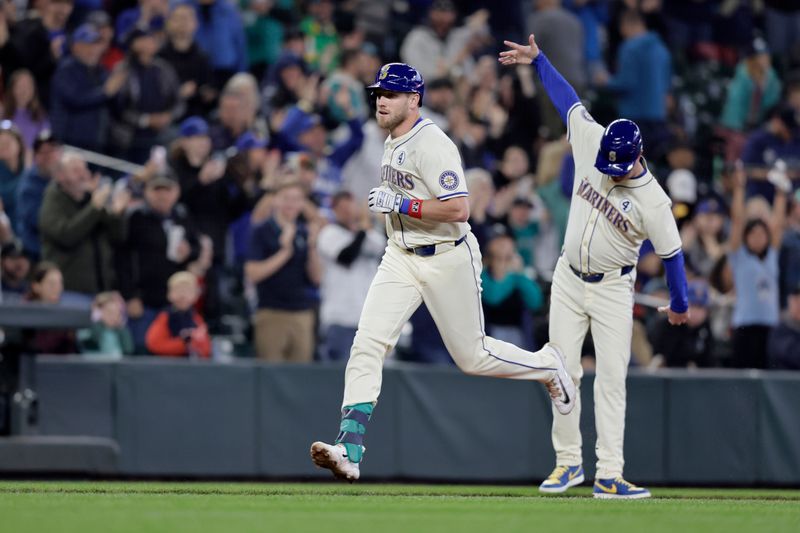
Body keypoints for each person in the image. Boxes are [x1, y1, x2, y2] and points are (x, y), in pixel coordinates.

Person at [309, 62, 575, 482]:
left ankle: (547, 366)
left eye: (391, 94)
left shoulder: (432, 143)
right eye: (379, 93)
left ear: (414, 100)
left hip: (447, 255)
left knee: (473, 356)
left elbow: (459, 208)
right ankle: (350, 447)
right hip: (401, 254)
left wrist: (402, 205)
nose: (381, 100)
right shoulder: (392, 139)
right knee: (368, 343)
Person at [498, 34, 689, 499]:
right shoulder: (595, 140)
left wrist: (680, 302)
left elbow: (672, 255)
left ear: (638, 157)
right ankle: (567, 464)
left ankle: (610, 472)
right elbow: (568, 101)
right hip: (567, 277)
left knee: (611, 380)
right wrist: (541, 59)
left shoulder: (654, 201)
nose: (609, 167)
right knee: (560, 372)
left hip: (611, 289)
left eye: (617, 165)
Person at [116, 172, 202, 352]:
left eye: (167, 190)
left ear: (176, 192)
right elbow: (122, 259)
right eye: (157, 189)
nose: (162, 195)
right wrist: (130, 296)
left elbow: (196, 247)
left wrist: (189, 251)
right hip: (144, 301)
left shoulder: (182, 216)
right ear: (147, 192)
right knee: (142, 352)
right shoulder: (136, 217)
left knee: (175, 354)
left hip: (175, 304)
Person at [245, 180, 322, 362]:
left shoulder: (304, 232)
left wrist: (312, 247)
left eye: (297, 199)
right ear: (276, 201)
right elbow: (253, 274)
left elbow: (317, 277)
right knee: (271, 375)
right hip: (271, 312)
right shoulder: (261, 230)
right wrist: (285, 252)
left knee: (300, 376)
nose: (291, 204)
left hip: (302, 313)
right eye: (286, 198)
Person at [39, 152, 129, 296]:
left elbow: (118, 237)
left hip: (101, 289)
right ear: (60, 176)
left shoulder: (93, 199)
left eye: (84, 169)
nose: (83, 175)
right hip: (69, 291)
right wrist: (94, 208)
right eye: (75, 170)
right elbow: (66, 236)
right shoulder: (52, 200)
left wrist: (116, 215)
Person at [727, 160, 788, 369]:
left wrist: (781, 192)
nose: (758, 237)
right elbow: (737, 220)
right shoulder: (739, 255)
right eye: (753, 233)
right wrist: (739, 188)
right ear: (746, 236)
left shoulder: (772, 254)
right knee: (744, 377)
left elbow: (778, 224)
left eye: (762, 234)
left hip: (770, 326)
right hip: (745, 325)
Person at [317, 191, 385, 361]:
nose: (348, 211)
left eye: (351, 206)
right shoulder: (329, 233)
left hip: (369, 319)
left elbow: (385, 251)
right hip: (340, 318)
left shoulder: (372, 236)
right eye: (343, 208)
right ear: (334, 210)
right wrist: (362, 229)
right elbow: (346, 257)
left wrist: (374, 224)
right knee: (339, 375)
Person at [49, 23, 129, 153]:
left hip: (98, 142)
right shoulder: (66, 69)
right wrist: (105, 92)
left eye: (96, 44)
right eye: (88, 44)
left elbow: (115, 105)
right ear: (75, 47)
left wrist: (119, 86)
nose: (93, 49)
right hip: (70, 143)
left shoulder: (101, 71)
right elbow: (76, 99)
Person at [481, 233, 543, 349]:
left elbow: (535, 302)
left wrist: (519, 274)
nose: (503, 245)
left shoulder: (520, 273)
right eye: (499, 242)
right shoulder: (484, 273)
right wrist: (510, 276)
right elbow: (493, 298)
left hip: (519, 333)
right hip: (490, 333)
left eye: (506, 241)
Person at [15, 130, 62, 260]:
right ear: (35, 157)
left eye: (52, 150)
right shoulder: (28, 186)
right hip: (36, 252)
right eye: (43, 152)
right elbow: (39, 221)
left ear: (60, 152)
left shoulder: (65, 177)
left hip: (61, 250)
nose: (49, 156)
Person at [145, 271, 211, 358]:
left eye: (187, 290)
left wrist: (194, 343)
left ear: (195, 295)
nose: (182, 295)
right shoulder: (165, 316)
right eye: (178, 290)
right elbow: (154, 344)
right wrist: (183, 343)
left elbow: (206, 349)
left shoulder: (196, 318)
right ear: (169, 294)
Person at [24, 261, 78, 354]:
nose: (57, 288)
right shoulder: (23, 312)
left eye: (59, 283)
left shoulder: (66, 314)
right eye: (51, 283)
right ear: (36, 286)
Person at [1, 69, 50, 152]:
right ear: (12, 89)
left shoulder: (41, 117)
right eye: (20, 86)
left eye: (28, 86)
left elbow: (45, 145)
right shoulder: (2, 114)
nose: (24, 90)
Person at [78, 291, 135, 358]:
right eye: (109, 311)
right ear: (98, 312)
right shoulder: (87, 329)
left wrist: (121, 328)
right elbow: (93, 340)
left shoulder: (120, 330)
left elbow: (129, 350)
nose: (114, 316)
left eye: (117, 312)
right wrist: (96, 320)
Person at [767, 282, 800, 370]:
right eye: (796, 299)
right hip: (785, 382)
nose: (798, 303)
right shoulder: (782, 328)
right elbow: (791, 354)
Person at [0, 121, 25, 229]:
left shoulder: (27, 169)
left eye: (8, 141)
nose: (4, 146)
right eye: (0, 143)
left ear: (19, 144)